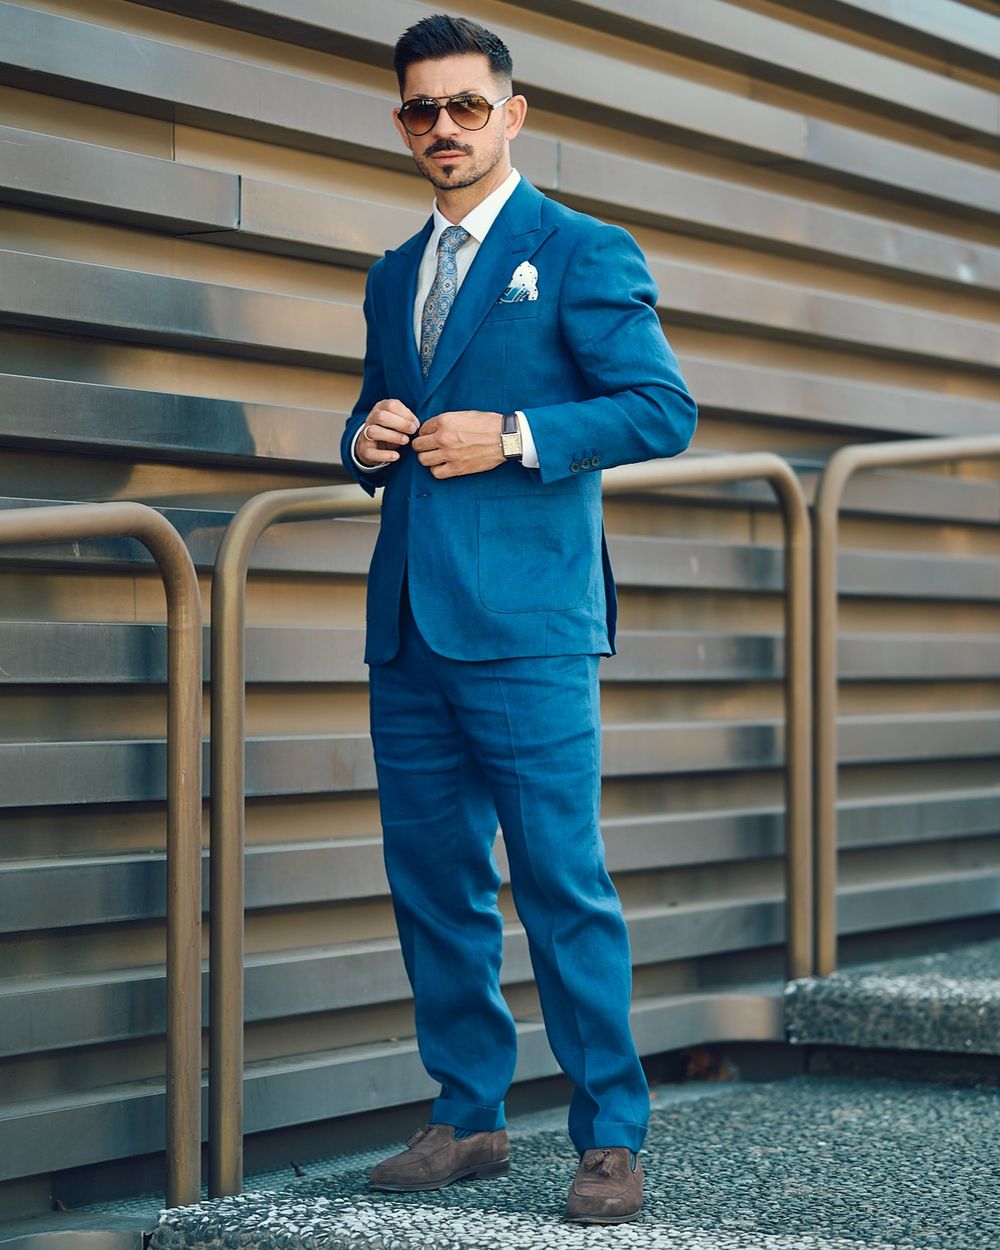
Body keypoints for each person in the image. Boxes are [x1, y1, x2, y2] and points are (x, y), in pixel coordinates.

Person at [340, 12, 696, 1225]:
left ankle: (609, 1136)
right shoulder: (393, 273)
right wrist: (362, 439)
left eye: (465, 105)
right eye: (421, 108)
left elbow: (660, 408)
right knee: (434, 882)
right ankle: (468, 1112)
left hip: (531, 626)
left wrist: (516, 434)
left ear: (512, 113)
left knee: (559, 881)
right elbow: (373, 410)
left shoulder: (580, 248)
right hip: (408, 626)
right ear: (402, 123)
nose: (443, 126)